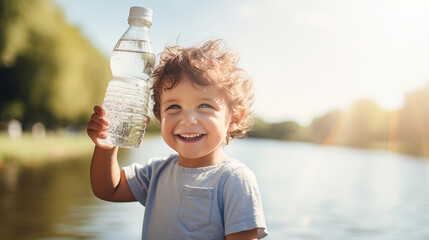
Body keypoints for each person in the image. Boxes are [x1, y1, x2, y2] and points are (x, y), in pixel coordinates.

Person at [87, 39, 268, 239]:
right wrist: (107, 146)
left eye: (204, 106)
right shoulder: (156, 172)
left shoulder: (234, 179)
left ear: (233, 118)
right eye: (174, 107)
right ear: (159, 116)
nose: (188, 120)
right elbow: (108, 190)